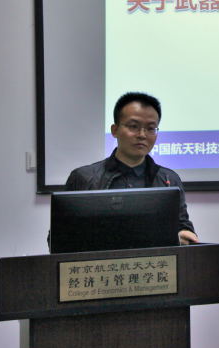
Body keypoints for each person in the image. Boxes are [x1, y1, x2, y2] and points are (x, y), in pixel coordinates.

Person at [65, 92, 199, 245]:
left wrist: (183, 234)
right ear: (115, 130)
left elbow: (183, 226)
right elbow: (60, 237)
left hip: (154, 260)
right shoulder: (84, 178)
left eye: (151, 128)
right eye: (133, 126)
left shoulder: (169, 180)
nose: (142, 135)